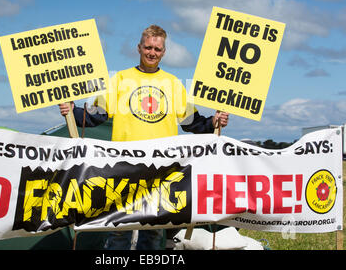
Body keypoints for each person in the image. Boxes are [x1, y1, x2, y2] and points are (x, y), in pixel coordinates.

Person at [59, 24, 229, 250]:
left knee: (153, 231)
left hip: (161, 169)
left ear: (164, 52)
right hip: (123, 167)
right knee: (119, 230)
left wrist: (214, 122)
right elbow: (94, 117)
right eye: (148, 47)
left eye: (157, 49)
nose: (152, 52)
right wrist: (72, 110)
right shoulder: (119, 79)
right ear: (138, 48)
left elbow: (192, 123)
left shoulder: (174, 84)